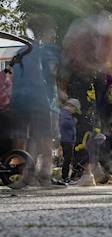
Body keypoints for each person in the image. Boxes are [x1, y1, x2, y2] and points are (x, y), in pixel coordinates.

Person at [10, 14, 61, 186]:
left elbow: (14, 76)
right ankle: (45, 174)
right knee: (46, 137)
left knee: (23, 137)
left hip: (22, 100)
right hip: (43, 101)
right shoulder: (49, 49)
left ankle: (24, 174)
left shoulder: (21, 51)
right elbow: (53, 73)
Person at [59, 98, 81, 184]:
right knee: (67, 159)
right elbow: (64, 124)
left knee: (67, 159)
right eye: (75, 109)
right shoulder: (65, 114)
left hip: (67, 139)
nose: (75, 112)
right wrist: (73, 122)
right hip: (66, 139)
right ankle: (65, 177)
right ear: (71, 106)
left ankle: (66, 177)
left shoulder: (64, 113)